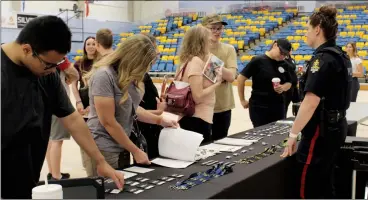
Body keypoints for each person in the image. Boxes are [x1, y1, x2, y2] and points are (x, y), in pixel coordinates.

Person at [1, 15, 124, 199]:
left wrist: (100, 161)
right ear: (27, 49)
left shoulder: (46, 73)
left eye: (58, 64)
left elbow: (72, 119)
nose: (54, 70)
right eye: (49, 64)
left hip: (28, 178)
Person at [281, 6, 352, 199]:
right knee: (326, 181)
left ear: (317, 29)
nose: (305, 34)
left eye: (307, 29)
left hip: (320, 131)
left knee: (308, 183)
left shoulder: (323, 59)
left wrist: (293, 134)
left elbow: (311, 102)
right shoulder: (340, 55)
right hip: (336, 125)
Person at [82, 34, 179, 177]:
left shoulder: (128, 76)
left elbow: (131, 107)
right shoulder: (104, 76)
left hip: (121, 143)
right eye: (145, 64)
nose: (146, 69)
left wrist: (159, 120)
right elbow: (108, 122)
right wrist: (135, 150)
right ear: (134, 59)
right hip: (101, 146)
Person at [176, 25, 223, 144]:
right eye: (208, 39)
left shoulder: (188, 60)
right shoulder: (196, 61)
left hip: (194, 118)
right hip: (197, 119)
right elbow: (197, 96)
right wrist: (217, 84)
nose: (211, 41)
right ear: (202, 42)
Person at [237, 38, 292, 127]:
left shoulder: (284, 64)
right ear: (275, 45)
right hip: (259, 107)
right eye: (281, 53)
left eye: (285, 55)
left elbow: (289, 82)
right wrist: (242, 100)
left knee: (278, 134)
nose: (282, 56)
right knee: (261, 134)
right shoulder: (258, 60)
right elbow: (241, 78)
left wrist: (283, 87)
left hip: (278, 106)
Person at [201, 14, 238, 140]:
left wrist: (210, 60)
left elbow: (231, 77)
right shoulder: (197, 50)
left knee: (220, 143)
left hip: (223, 106)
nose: (217, 31)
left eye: (219, 28)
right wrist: (221, 72)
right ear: (204, 29)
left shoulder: (229, 49)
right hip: (202, 106)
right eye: (213, 28)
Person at [46, 57, 79, 181]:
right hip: (57, 102)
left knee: (50, 140)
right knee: (57, 140)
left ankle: (52, 172)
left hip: (47, 102)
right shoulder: (58, 57)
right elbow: (75, 75)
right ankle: (56, 176)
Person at [136, 33, 166, 159]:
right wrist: (159, 111)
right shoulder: (138, 76)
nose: (158, 53)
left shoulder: (144, 74)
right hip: (145, 130)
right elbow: (132, 110)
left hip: (151, 127)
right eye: (155, 49)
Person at [72, 36, 97, 120]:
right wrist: (78, 102)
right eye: (88, 44)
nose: (91, 46)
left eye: (94, 44)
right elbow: (74, 85)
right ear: (84, 47)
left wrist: (93, 105)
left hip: (98, 102)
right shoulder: (78, 64)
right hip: (82, 103)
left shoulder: (102, 63)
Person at [282, 50, 300, 116]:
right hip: (288, 86)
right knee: (285, 104)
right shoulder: (283, 60)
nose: (290, 51)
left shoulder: (291, 59)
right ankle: (283, 118)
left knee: (298, 103)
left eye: (291, 50)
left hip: (294, 86)